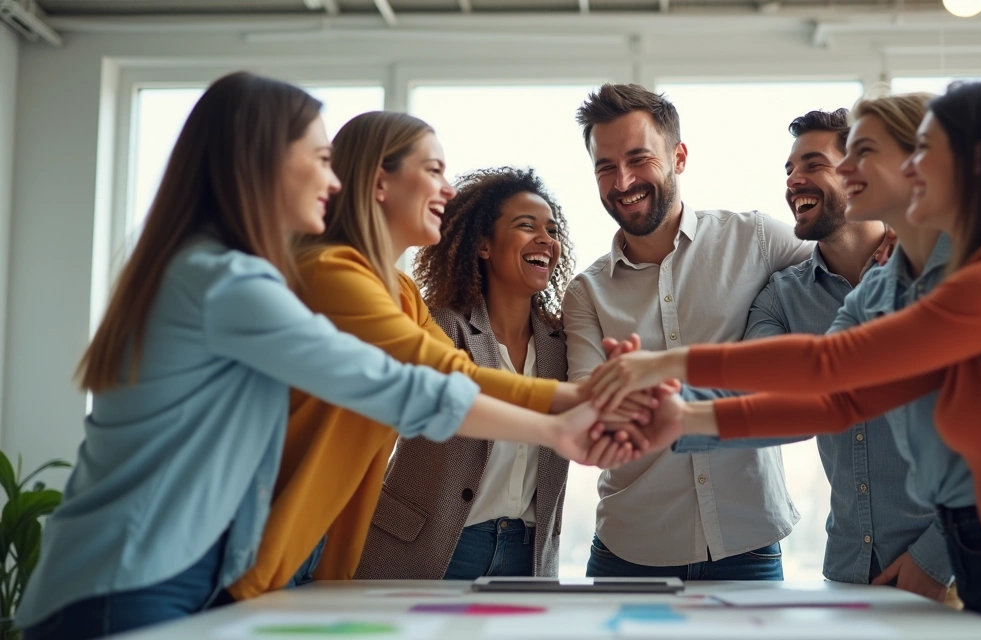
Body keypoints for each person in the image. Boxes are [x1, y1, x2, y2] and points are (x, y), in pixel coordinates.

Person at [586, 77, 981, 640]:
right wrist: (684, 419)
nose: (848, 168)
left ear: (969, 165)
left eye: (913, 151)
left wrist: (666, 366)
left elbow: (829, 364)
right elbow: (838, 403)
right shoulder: (889, 288)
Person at [16, 72, 616, 640]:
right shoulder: (231, 283)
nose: (333, 182)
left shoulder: (236, 276)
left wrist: (576, 407)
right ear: (262, 160)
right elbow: (407, 387)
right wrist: (561, 422)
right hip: (131, 577)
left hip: (178, 569)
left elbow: (434, 379)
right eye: (321, 159)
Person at [226, 112, 648, 600]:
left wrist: (590, 402)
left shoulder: (401, 293)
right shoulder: (332, 273)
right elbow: (447, 376)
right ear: (378, 183)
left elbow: (451, 384)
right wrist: (572, 405)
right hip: (272, 535)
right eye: (433, 171)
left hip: (322, 539)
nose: (447, 190)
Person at [686, 108, 951, 600]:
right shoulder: (783, 296)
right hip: (849, 570)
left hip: (953, 570)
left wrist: (937, 559)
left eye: (813, 164)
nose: (793, 180)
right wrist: (667, 412)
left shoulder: (938, 271)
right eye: (789, 169)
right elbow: (765, 399)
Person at [562, 83, 812, 580]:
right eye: (605, 167)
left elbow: (840, 269)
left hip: (749, 544)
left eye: (639, 159)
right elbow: (587, 407)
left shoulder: (757, 239)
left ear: (679, 157)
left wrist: (881, 230)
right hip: (631, 550)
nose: (623, 181)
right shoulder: (586, 292)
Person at [830, 91, 981, 621]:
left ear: (921, 160)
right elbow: (821, 377)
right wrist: (678, 413)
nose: (843, 167)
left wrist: (936, 560)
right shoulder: (877, 291)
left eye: (863, 150)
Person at [356, 166, 578, 579]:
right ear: (483, 245)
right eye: (526, 226)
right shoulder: (441, 325)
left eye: (551, 230)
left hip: (528, 554)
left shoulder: (562, 343)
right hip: (433, 545)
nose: (545, 239)